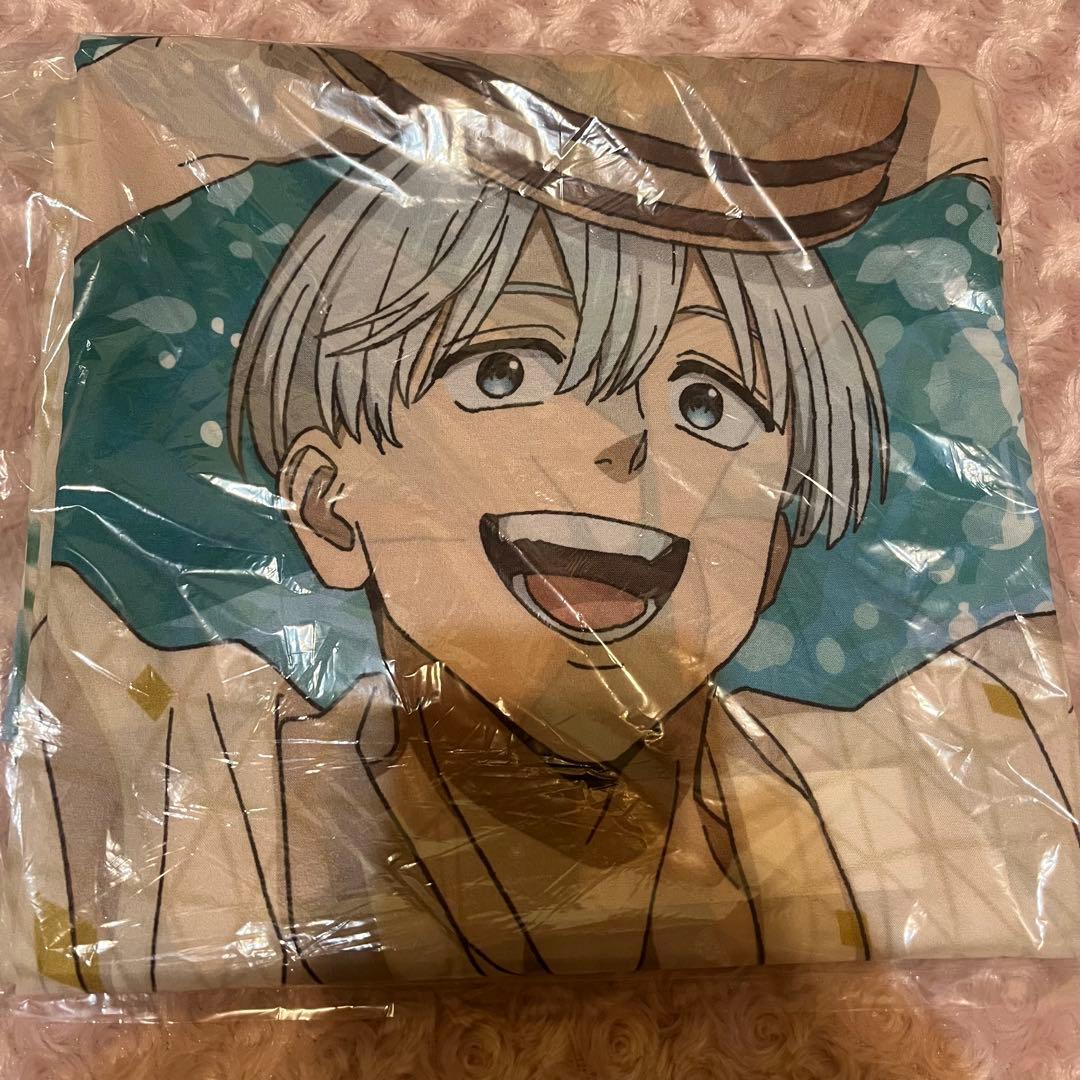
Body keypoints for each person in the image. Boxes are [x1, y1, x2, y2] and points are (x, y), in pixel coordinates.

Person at [9, 38, 1079, 995]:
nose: (626, 445)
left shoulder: (932, 789)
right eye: (506, 370)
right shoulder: (186, 797)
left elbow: (945, 140)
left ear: (780, 533)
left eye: (708, 401)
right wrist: (250, 97)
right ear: (330, 506)